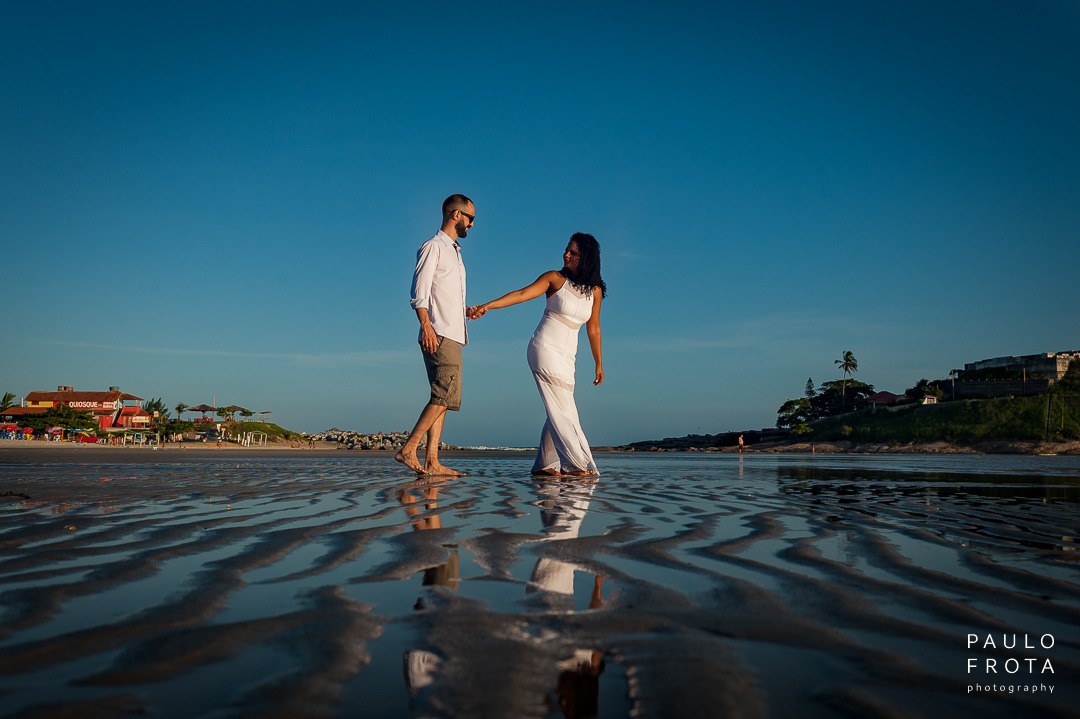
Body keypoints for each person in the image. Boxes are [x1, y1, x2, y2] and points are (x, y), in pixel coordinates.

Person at [470, 233, 605, 475]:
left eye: (573, 252)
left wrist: (598, 362)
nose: (566, 254)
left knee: (559, 407)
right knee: (563, 408)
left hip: (568, 357)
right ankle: (574, 464)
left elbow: (593, 327)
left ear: (586, 258)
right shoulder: (554, 278)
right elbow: (522, 294)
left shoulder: (594, 291)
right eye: (566, 250)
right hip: (544, 349)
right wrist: (487, 305)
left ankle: (544, 465)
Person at [395, 194, 475, 476]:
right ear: (456, 215)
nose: (472, 225)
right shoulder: (433, 247)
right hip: (439, 333)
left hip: (450, 331)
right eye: (470, 218)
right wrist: (427, 326)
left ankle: (432, 461)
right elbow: (419, 292)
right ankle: (409, 448)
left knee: (443, 397)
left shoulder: (454, 251)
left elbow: (443, 294)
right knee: (444, 395)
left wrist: (464, 310)